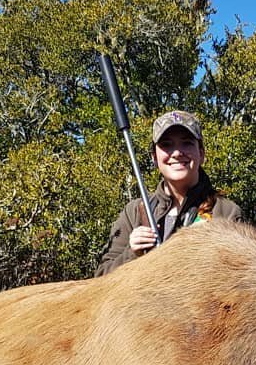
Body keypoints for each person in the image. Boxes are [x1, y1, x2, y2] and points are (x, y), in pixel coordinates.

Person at [95, 110, 243, 276]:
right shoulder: (134, 212)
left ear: (201, 154)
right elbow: (101, 279)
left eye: (187, 143)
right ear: (154, 158)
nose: (177, 152)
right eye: (166, 144)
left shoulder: (226, 213)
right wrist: (132, 253)